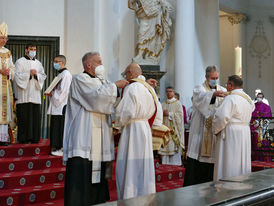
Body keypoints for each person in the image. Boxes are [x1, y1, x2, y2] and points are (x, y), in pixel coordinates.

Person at [63, 52, 128, 206]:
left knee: (98, 176)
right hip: (83, 135)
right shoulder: (80, 79)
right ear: (89, 65)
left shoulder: (103, 81)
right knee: (82, 173)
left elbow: (110, 101)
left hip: (101, 136)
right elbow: (95, 98)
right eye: (98, 62)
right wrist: (115, 86)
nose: (101, 64)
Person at [115, 63, 157, 200]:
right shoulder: (148, 88)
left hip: (132, 129)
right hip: (144, 127)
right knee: (143, 165)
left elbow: (126, 111)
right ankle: (145, 196)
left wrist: (116, 122)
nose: (125, 77)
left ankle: (130, 196)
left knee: (130, 164)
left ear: (130, 73)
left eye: (126, 74)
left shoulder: (132, 87)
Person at [184, 65, 227, 186]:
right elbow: (200, 100)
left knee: (213, 158)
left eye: (217, 77)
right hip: (200, 131)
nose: (215, 80)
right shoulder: (199, 89)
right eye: (213, 77)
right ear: (206, 77)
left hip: (214, 132)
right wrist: (213, 95)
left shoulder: (221, 89)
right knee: (198, 158)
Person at [212, 75, 255, 181]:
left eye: (227, 84)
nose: (226, 86)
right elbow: (252, 109)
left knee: (230, 160)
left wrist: (215, 129)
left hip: (231, 133)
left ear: (231, 85)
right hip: (244, 131)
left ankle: (227, 186)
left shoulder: (231, 98)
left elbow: (222, 117)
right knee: (241, 160)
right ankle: (242, 183)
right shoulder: (248, 98)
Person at [14, 44, 47, 144]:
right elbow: (17, 76)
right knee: (24, 117)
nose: (33, 51)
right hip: (23, 95)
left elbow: (43, 75)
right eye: (31, 49)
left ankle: (35, 138)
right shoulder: (19, 62)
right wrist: (29, 74)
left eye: (35, 49)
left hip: (35, 94)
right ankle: (23, 138)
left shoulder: (38, 63)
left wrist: (36, 75)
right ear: (26, 50)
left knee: (35, 117)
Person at [128, 0, 173, 65]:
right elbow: (131, 4)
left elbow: (164, 3)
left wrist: (164, 5)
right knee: (142, 33)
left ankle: (149, 55)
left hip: (155, 13)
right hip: (144, 13)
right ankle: (140, 55)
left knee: (154, 35)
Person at [46, 55, 72, 156]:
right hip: (56, 105)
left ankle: (60, 147)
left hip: (61, 105)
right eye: (54, 61)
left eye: (57, 61)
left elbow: (65, 91)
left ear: (63, 63)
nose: (55, 63)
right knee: (55, 126)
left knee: (60, 127)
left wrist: (53, 94)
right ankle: (56, 147)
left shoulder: (66, 75)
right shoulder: (60, 75)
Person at [158, 87, 184, 166]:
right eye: (167, 91)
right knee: (165, 149)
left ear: (173, 92)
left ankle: (175, 166)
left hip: (173, 132)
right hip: (165, 132)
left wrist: (169, 114)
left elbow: (180, 117)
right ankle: (165, 165)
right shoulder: (162, 104)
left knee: (173, 148)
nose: (169, 93)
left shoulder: (178, 103)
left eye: (170, 91)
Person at [0, 22, 15, 146]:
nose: (4, 40)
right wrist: (0, 70)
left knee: (4, 111)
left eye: (5, 38)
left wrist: (9, 71)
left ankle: (3, 138)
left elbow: (12, 67)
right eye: (2, 37)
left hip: (6, 84)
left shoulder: (8, 52)